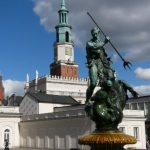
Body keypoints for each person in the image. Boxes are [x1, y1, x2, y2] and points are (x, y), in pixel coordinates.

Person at [86, 27, 110, 102]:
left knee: (108, 81)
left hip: (101, 63)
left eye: (96, 33)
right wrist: (105, 42)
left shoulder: (100, 42)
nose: (95, 35)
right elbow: (95, 47)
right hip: (93, 63)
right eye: (94, 34)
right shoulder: (89, 43)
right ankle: (87, 99)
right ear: (92, 34)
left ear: (99, 33)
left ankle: (106, 99)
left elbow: (104, 54)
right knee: (93, 83)